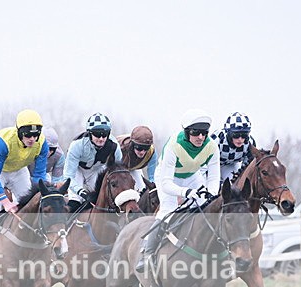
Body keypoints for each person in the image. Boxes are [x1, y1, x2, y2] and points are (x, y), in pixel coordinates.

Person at [134, 109, 221, 273]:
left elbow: (214, 178)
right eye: (196, 133)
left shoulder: (212, 146)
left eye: (204, 133)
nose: (201, 137)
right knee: (168, 210)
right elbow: (166, 184)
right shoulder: (174, 145)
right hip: (168, 177)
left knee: (208, 207)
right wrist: (185, 193)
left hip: (192, 176)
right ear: (187, 132)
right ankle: (147, 253)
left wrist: (211, 193)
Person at [0, 109, 50, 273]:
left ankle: (39, 247)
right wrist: (5, 201)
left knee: (33, 206)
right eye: (28, 135)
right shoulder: (2, 142)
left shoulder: (42, 144)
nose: (32, 139)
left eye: (36, 135)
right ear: (19, 132)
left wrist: (35, 195)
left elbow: (39, 174)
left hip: (19, 171)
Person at [63, 113, 123, 212]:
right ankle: (66, 225)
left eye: (105, 134)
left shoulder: (114, 145)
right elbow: (68, 175)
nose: (101, 138)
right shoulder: (77, 145)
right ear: (90, 133)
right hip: (78, 171)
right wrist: (81, 192)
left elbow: (119, 171)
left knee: (100, 201)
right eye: (97, 134)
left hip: (96, 171)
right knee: (76, 201)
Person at [210, 112, 255, 182]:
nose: (240, 139)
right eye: (236, 135)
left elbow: (247, 167)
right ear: (229, 133)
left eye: (244, 135)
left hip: (230, 165)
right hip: (212, 165)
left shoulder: (250, 143)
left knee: (234, 184)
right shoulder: (217, 140)